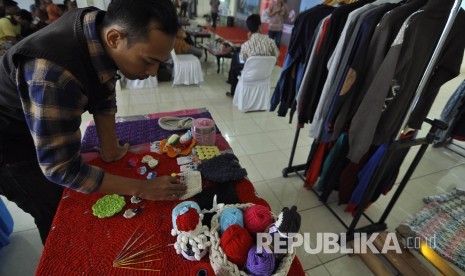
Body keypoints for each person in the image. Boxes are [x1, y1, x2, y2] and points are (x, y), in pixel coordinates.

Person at [0, 0, 186, 244]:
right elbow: (60, 168)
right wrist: (142, 188)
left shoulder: (98, 26)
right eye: (148, 60)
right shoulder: (52, 74)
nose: (153, 72)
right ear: (115, 39)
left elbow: (104, 81)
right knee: (55, 209)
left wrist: (110, 148)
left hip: (39, 118)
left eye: (159, 63)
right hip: (9, 141)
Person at [226, 14, 278, 97]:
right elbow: (276, 61)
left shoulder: (246, 45)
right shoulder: (271, 42)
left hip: (250, 75)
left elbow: (244, 61)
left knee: (235, 63)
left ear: (249, 29)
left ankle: (233, 92)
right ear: (260, 26)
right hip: (265, 75)